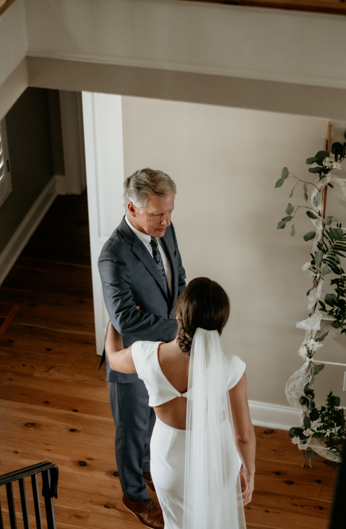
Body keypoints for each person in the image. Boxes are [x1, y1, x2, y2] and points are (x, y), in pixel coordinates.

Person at [105, 277, 256, 529]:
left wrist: (115, 321)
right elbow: (243, 435)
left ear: (179, 315)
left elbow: (113, 358)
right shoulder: (231, 367)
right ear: (220, 323)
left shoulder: (146, 355)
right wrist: (248, 472)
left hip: (168, 466)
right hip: (216, 465)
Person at [98, 168, 187, 528]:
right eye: (157, 215)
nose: (166, 222)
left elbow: (178, 275)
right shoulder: (113, 256)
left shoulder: (164, 229)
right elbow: (126, 321)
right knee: (132, 432)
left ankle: (149, 471)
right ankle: (134, 496)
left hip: (163, 355)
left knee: (154, 420)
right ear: (133, 209)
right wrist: (180, 329)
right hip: (131, 360)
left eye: (169, 212)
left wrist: (179, 314)